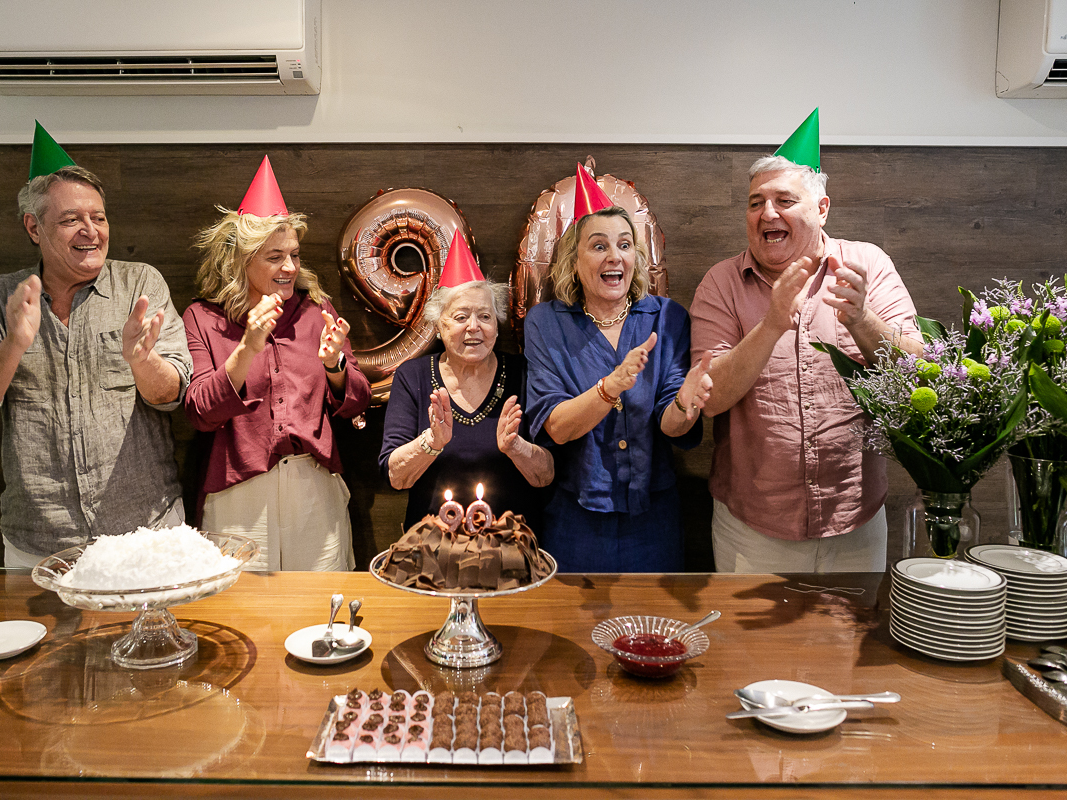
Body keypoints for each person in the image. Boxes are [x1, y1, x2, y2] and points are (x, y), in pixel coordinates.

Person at [0, 122, 191, 566]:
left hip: (144, 529)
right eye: (71, 220)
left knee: (156, 637)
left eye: (98, 218)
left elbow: (172, 394)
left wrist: (142, 360)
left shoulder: (140, 283)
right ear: (33, 227)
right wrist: (14, 344)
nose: (90, 231)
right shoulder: (0, 297)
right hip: (39, 539)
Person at [690, 109, 924, 573]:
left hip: (855, 519)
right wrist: (772, 322)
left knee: (851, 645)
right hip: (752, 527)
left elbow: (917, 375)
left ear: (822, 210)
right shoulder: (721, 283)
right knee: (752, 650)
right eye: (755, 203)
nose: (767, 213)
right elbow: (709, 397)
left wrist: (861, 318)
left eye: (783, 200)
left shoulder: (867, 265)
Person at [183, 156, 370, 571]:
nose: (289, 267)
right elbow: (198, 411)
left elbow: (358, 401)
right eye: (274, 257)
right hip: (240, 494)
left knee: (321, 618)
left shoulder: (315, 310)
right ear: (241, 260)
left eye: (294, 255)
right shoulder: (203, 317)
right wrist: (247, 347)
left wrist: (336, 364)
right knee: (244, 619)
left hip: (313, 488)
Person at [523, 165, 713, 573]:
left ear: (636, 258)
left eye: (625, 245)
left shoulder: (667, 318)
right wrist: (609, 388)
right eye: (598, 246)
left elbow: (672, 423)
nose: (614, 256)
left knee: (654, 631)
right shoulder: (545, 324)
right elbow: (555, 426)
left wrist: (685, 403)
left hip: (654, 520)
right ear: (574, 262)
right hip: (575, 522)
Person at [380, 230, 554, 531]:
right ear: (439, 326)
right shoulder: (413, 377)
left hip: (511, 548)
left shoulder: (523, 373)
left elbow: (546, 474)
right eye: (461, 317)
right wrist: (431, 443)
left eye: (485, 317)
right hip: (434, 551)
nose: (474, 327)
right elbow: (396, 477)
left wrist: (517, 448)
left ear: (497, 328)